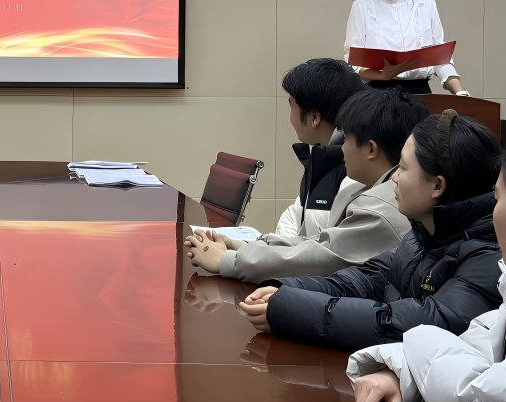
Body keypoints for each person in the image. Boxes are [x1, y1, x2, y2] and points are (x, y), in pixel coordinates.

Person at [239, 111, 502, 353]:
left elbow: (423, 323)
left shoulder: (488, 256)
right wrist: (285, 290)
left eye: (403, 168)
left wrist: (291, 308)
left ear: (437, 186)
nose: (395, 177)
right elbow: (365, 280)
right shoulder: (422, 234)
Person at [186, 88, 421, 282]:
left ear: (370, 148)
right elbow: (320, 243)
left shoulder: (382, 206)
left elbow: (320, 259)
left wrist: (227, 261)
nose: (341, 149)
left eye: (347, 140)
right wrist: (244, 246)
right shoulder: (366, 188)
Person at [347, 165, 506, 402]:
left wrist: (419, 338)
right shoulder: (417, 238)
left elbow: (477, 401)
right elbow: (479, 346)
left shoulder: (479, 255)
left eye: (498, 197)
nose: (394, 176)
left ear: (438, 185)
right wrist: (399, 375)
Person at [346, 0, 467, 96]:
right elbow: (354, 61)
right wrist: (383, 75)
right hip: (377, 92)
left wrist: (460, 93)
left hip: (420, 91)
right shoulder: (362, 6)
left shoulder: (426, 4)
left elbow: (439, 58)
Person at [273, 58, 366, 239]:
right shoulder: (322, 155)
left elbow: (325, 247)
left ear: (314, 118)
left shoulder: (355, 170)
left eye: (291, 106)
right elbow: (293, 215)